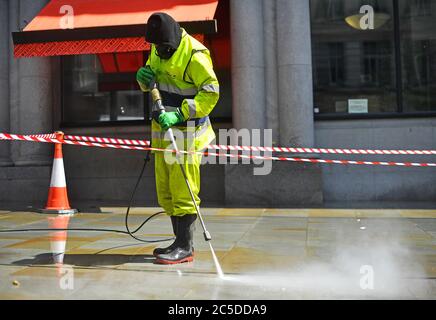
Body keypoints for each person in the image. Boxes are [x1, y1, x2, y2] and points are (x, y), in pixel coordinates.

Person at [136, 12, 219, 265]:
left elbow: (211, 94)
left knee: (184, 190)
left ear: (172, 40)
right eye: (156, 48)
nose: (159, 52)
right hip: (163, 131)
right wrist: (144, 80)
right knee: (167, 191)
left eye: (164, 48)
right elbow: (154, 81)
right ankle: (177, 242)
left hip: (187, 131)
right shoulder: (157, 47)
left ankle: (186, 247)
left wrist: (179, 114)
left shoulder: (195, 54)